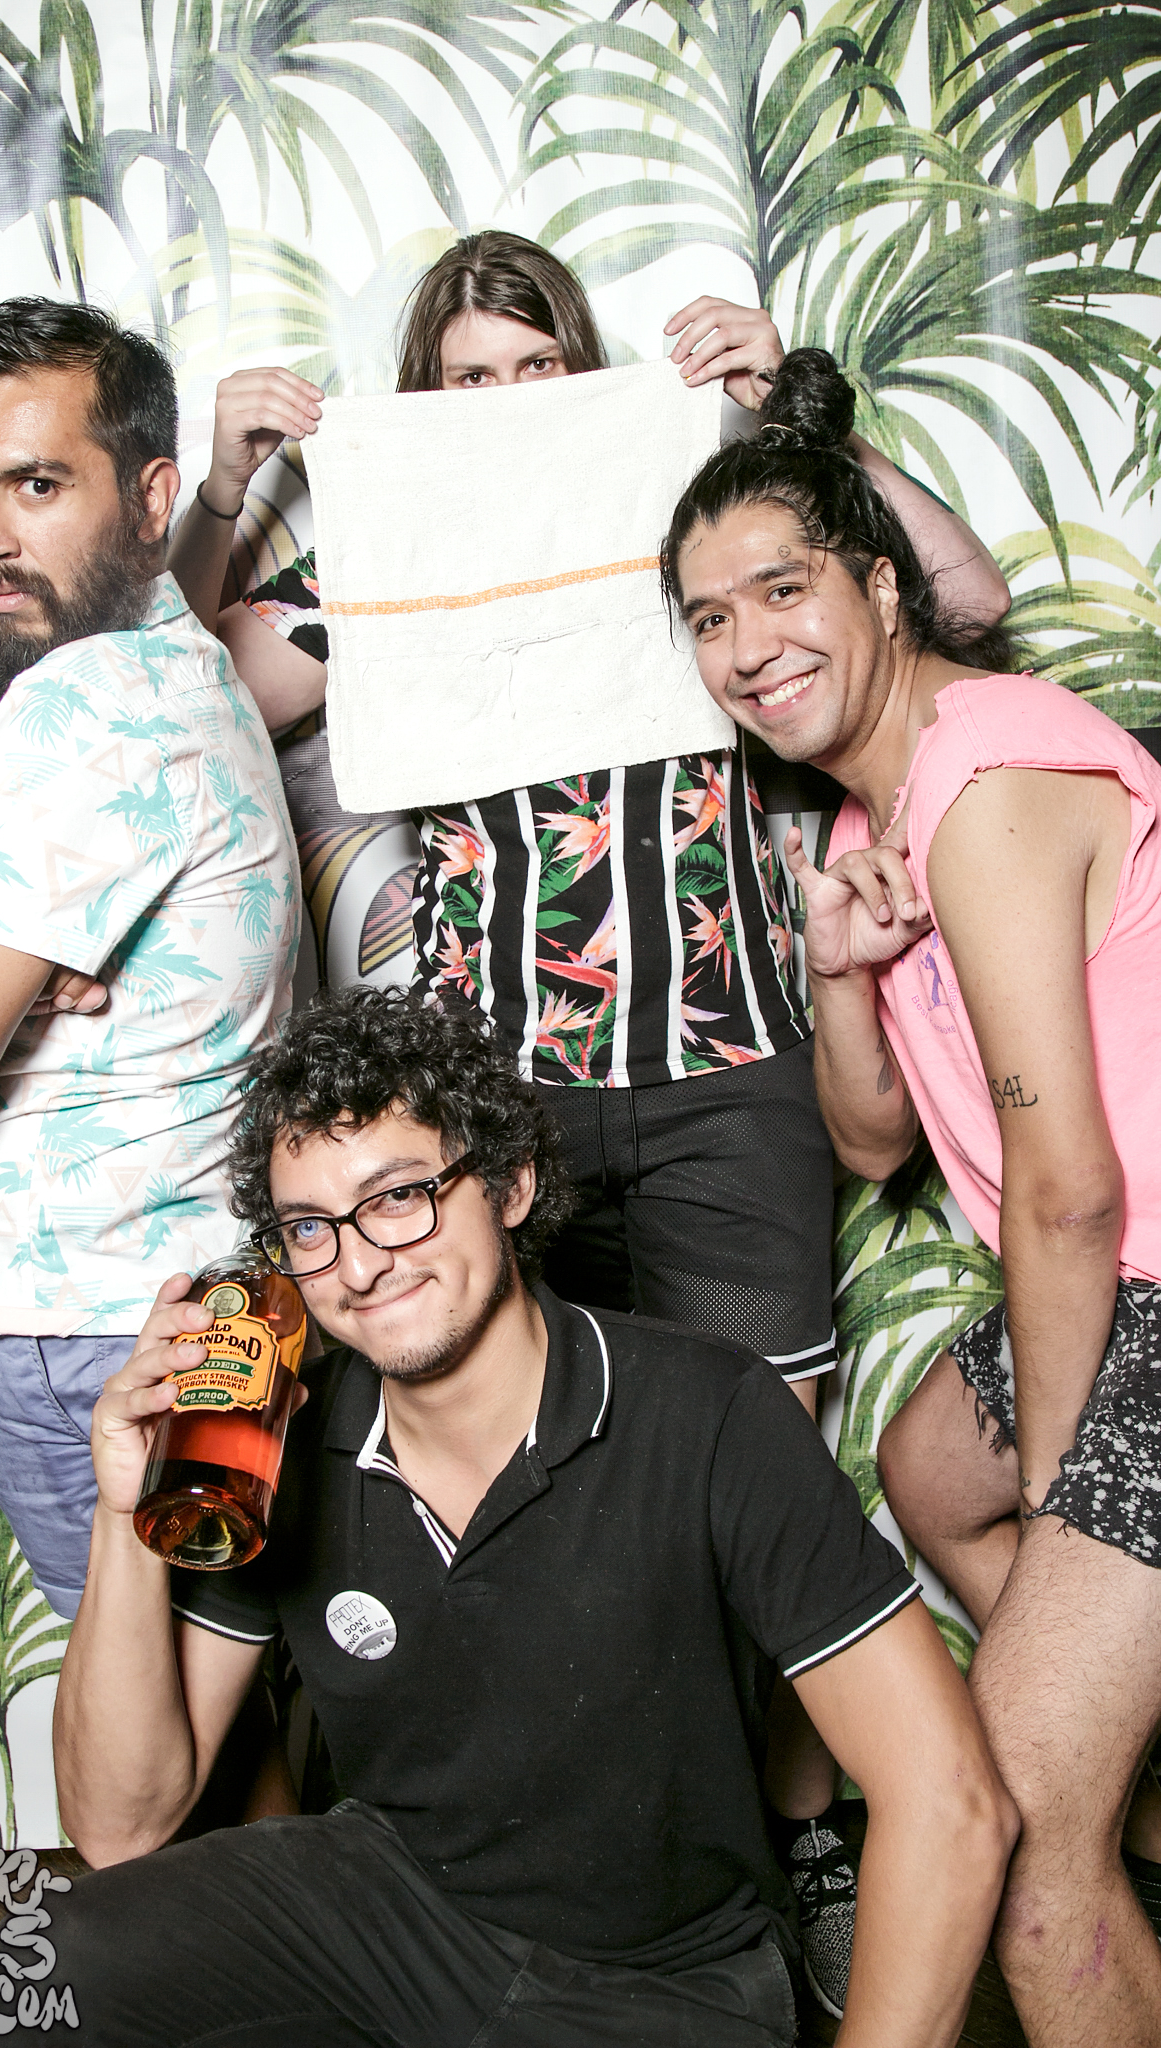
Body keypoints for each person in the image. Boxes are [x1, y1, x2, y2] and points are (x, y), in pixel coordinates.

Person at [165, 230, 1011, 2015]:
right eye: (466, 377)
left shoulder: (686, 521)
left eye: (535, 365)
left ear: (588, 372)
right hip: (492, 1111)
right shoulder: (381, 567)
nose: (506, 402)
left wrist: (801, 417)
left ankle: (797, 1860)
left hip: (725, 1073)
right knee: (541, 1509)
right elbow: (188, 688)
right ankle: (548, 1882)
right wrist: (229, 491)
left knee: (746, 1483)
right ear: (420, 400)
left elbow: (969, 594)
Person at [17, 985, 1017, 2048]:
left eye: (399, 1196)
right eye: (311, 1226)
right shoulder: (284, 1439)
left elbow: (952, 1803)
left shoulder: (712, 1412)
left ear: (510, 1183)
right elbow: (121, 1824)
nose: (359, 1262)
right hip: (386, 1913)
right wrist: (126, 1508)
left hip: (666, 1982)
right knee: (38, 1973)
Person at [660, 345, 1161, 2048]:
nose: (747, 645)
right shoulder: (874, 815)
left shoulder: (991, 776)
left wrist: (1071, 1491)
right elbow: (875, 1146)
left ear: (880, 584)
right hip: (1125, 1281)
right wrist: (842, 971)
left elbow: (1068, 1193)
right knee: (928, 1465)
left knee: (1017, 1845)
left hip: (1143, 1272)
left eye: (781, 588)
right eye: (708, 618)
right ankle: (1112, 1748)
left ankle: (1081, 1803)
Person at [0, 298, 300, 1621]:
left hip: (85, 1328)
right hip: (214, 1297)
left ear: (150, 496)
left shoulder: (76, 706)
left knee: (134, 1725)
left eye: (37, 485)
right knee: (214, 1692)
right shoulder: (180, 661)